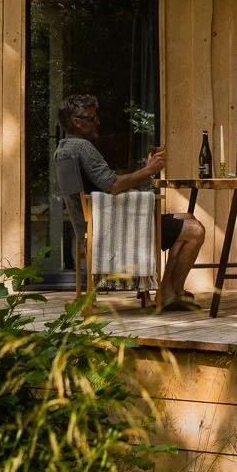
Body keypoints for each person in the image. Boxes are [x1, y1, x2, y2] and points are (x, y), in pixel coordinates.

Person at [53, 93, 205, 311]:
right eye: (92, 118)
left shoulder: (64, 149)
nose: (98, 122)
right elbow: (112, 185)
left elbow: (103, 185)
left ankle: (169, 292)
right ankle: (171, 291)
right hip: (111, 229)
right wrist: (148, 170)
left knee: (187, 218)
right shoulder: (83, 148)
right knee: (196, 230)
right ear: (76, 122)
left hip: (92, 225)